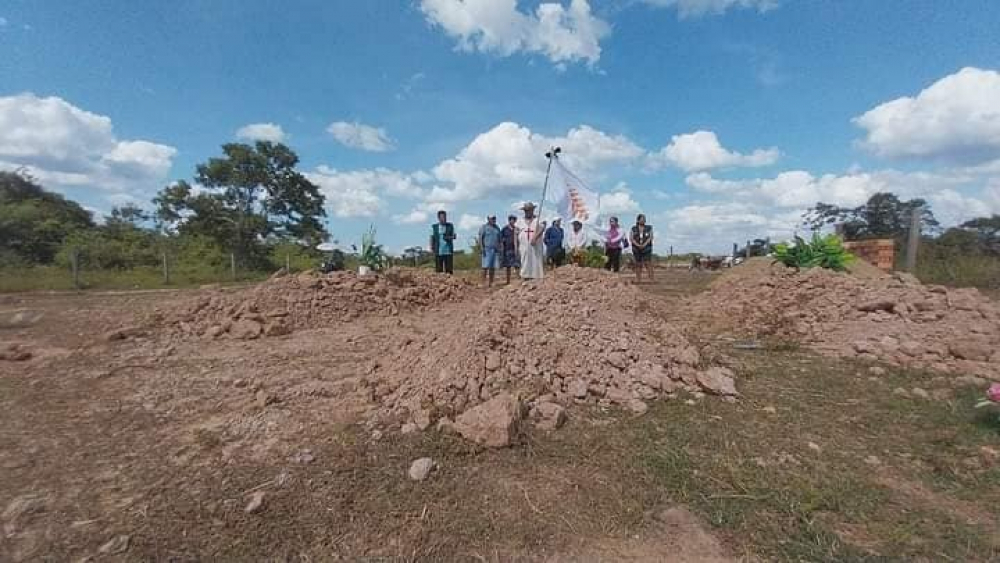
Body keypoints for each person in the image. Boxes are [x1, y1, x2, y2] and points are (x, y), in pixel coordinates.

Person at [518, 202, 546, 281]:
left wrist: (535, 238)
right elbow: (516, 232)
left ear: (533, 210)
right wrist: (516, 246)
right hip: (524, 246)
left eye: (529, 210)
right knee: (525, 260)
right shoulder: (520, 221)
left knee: (536, 260)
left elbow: (542, 228)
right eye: (526, 210)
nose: (528, 212)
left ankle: (537, 277)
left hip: (535, 245)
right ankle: (526, 276)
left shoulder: (538, 219)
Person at [478, 215, 502, 287]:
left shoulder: (497, 228)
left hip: (495, 250)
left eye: (494, 218)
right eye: (492, 219)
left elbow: (499, 239)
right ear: (488, 219)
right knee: (485, 267)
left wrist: (500, 248)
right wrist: (482, 248)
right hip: (487, 249)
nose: (494, 220)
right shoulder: (484, 227)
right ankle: (483, 282)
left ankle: (491, 282)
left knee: (493, 267)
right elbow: (480, 238)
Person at [629, 213, 654, 282]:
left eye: (644, 219)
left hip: (647, 248)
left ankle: (651, 279)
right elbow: (631, 238)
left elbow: (651, 237)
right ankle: (638, 279)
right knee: (638, 264)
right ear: (638, 220)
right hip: (636, 248)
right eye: (642, 219)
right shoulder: (633, 228)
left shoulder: (649, 227)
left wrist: (644, 244)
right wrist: (637, 245)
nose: (643, 220)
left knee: (648, 263)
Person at [429, 210, 456, 274]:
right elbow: (431, 237)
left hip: (448, 251)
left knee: (449, 270)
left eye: (445, 217)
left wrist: (448, 237)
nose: (444, 218)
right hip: (438, 251)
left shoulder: (450, 225)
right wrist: (431, 247)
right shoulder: (434, 227)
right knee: (439, 270)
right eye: (442, 217)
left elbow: (454, 236)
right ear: (438, 218)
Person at [499, 214, 520, 285]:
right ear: (509, 220)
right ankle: (508, 281)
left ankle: (518, 279)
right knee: (508, 266)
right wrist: (503, 242)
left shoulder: (516, 229)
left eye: (514, 220)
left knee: (517, 264)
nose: (513, 221)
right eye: (511, 219)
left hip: (515, 249)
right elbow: (500, 238)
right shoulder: (504, 229)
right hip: (507, 249)